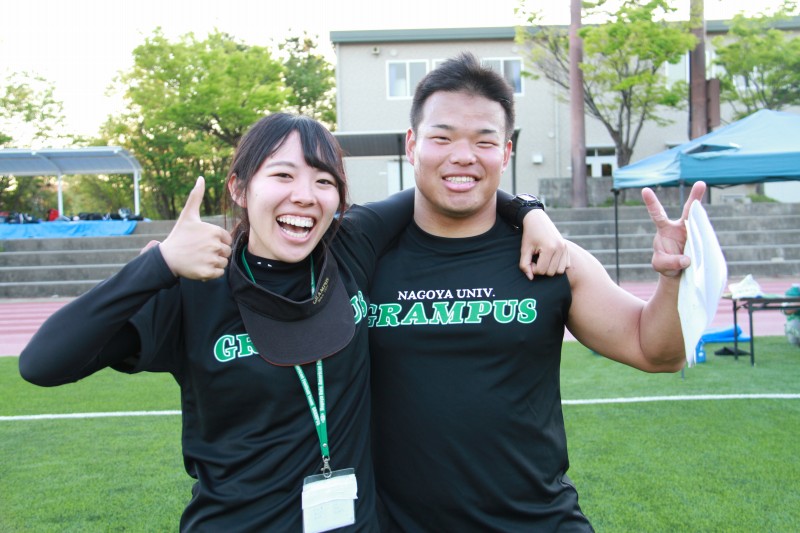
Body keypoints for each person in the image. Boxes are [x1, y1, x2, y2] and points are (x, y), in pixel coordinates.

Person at [19, 113, 567, 531]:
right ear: (240, 188)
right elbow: (42, 364)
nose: (304, 196)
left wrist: (529, 209)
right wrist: (157, 264)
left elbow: (448, 184)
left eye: (324, 181)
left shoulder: (350, 248)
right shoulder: (194, 287)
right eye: (282, 174)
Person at [367, 52, 707, 531]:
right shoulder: (366, 261)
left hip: (539, 522)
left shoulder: (553, 257)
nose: (462, 156)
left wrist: (671, 278)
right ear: (412, 145)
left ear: (506, 153)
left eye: (484, 141)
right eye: (442, 137)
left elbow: (657, 353)